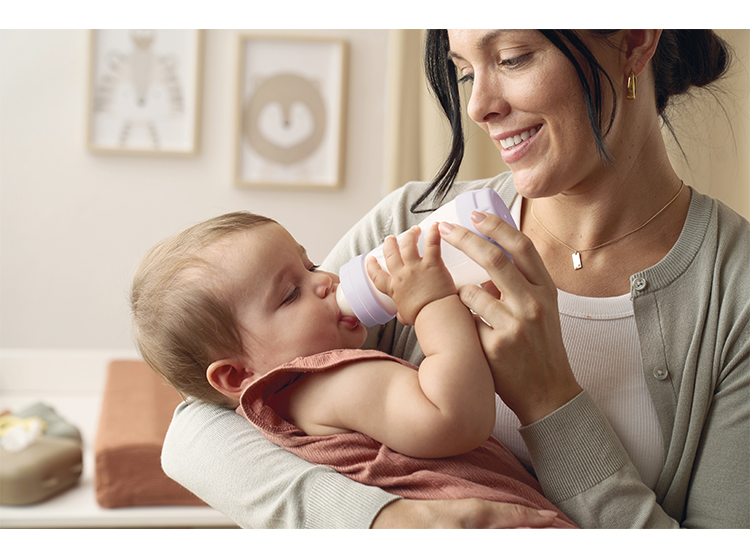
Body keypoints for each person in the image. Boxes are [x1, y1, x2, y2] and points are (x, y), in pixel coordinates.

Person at [160, 30, 750, 528]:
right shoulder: (413, 227)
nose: (478, 107)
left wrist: (550, 400)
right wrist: (386, 521)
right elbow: (200, 425)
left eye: (512, 58)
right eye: (466, 73)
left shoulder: (734, 294)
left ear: (634, 40)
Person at [131, 212, 576, 528]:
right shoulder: (328, 381)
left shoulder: (290, 403)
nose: (325, 281)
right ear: (236, 376)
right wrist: (433, 302)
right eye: (291, 294)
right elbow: (455, 418)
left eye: (310, 266)